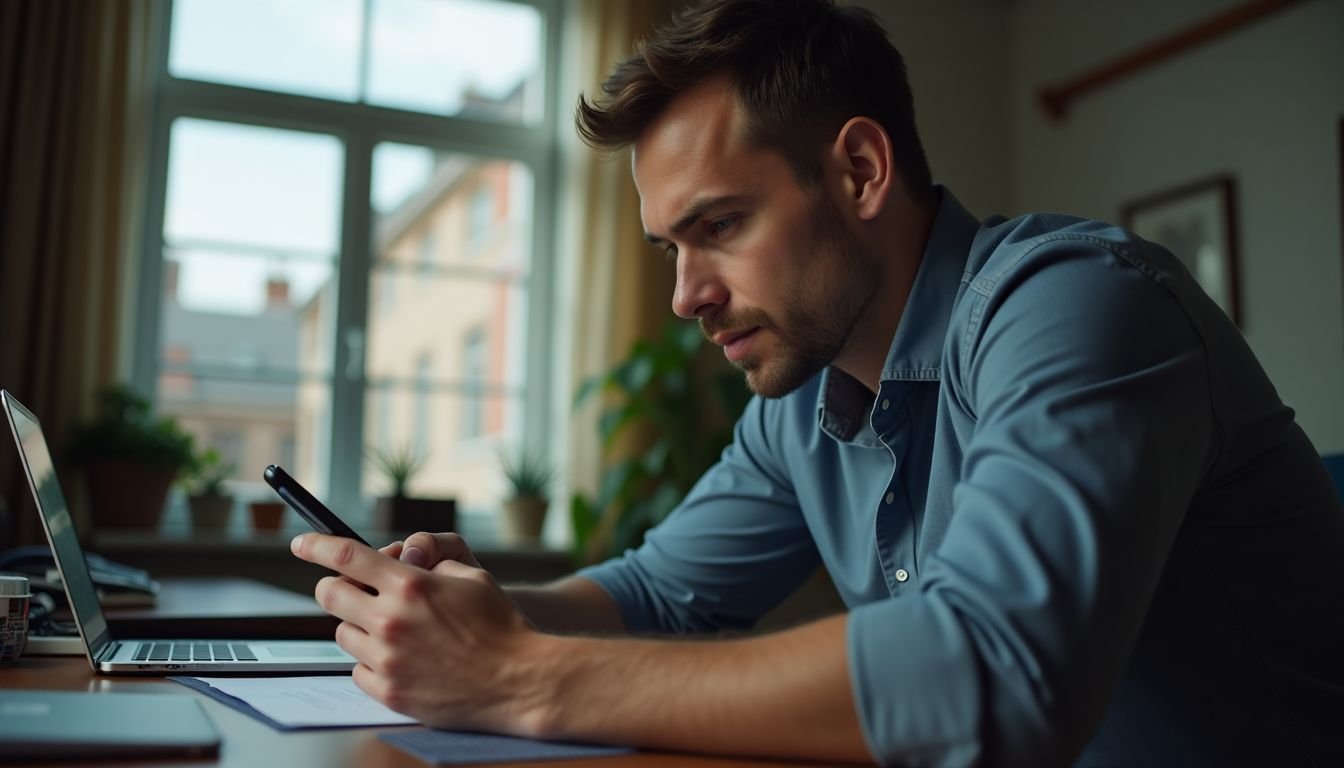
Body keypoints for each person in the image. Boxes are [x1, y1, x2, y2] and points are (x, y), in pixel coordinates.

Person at [290, 0, 1344, 764]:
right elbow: (663, 596)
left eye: (720, 227)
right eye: (668, 246)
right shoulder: (804, 392)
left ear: (861, 171)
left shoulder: (1079, 306)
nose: (685, 296)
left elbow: (995, 677)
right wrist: (469, 616)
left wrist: (515, 676)